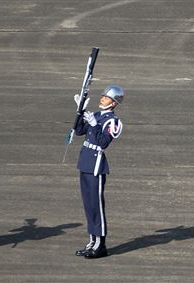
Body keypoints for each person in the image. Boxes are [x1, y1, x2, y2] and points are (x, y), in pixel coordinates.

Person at [72, 85, 124, 259]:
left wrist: (94, 126)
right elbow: (79, 130)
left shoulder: (112, 121)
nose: (102, 98)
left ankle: (100, 245)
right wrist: (80, 111)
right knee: (88, 205)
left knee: (97, 206)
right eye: (102, 96)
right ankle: (92, 242)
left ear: (114, 102)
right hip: (85, 162)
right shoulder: (95, 115)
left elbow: (103, 143)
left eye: (106, 97)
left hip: (96, 164)